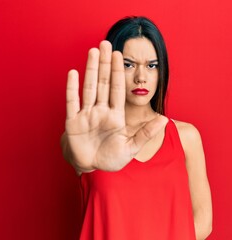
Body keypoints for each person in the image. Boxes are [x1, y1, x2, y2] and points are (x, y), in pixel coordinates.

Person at [61, 16, 212, 240]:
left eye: (152, 66)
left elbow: (203, 222)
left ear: (162, 71)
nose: (141, 77)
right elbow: (72, 150)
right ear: (111, 68)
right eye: (128, 65)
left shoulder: (186, 136)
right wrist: (78, 157)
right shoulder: (90, 137)